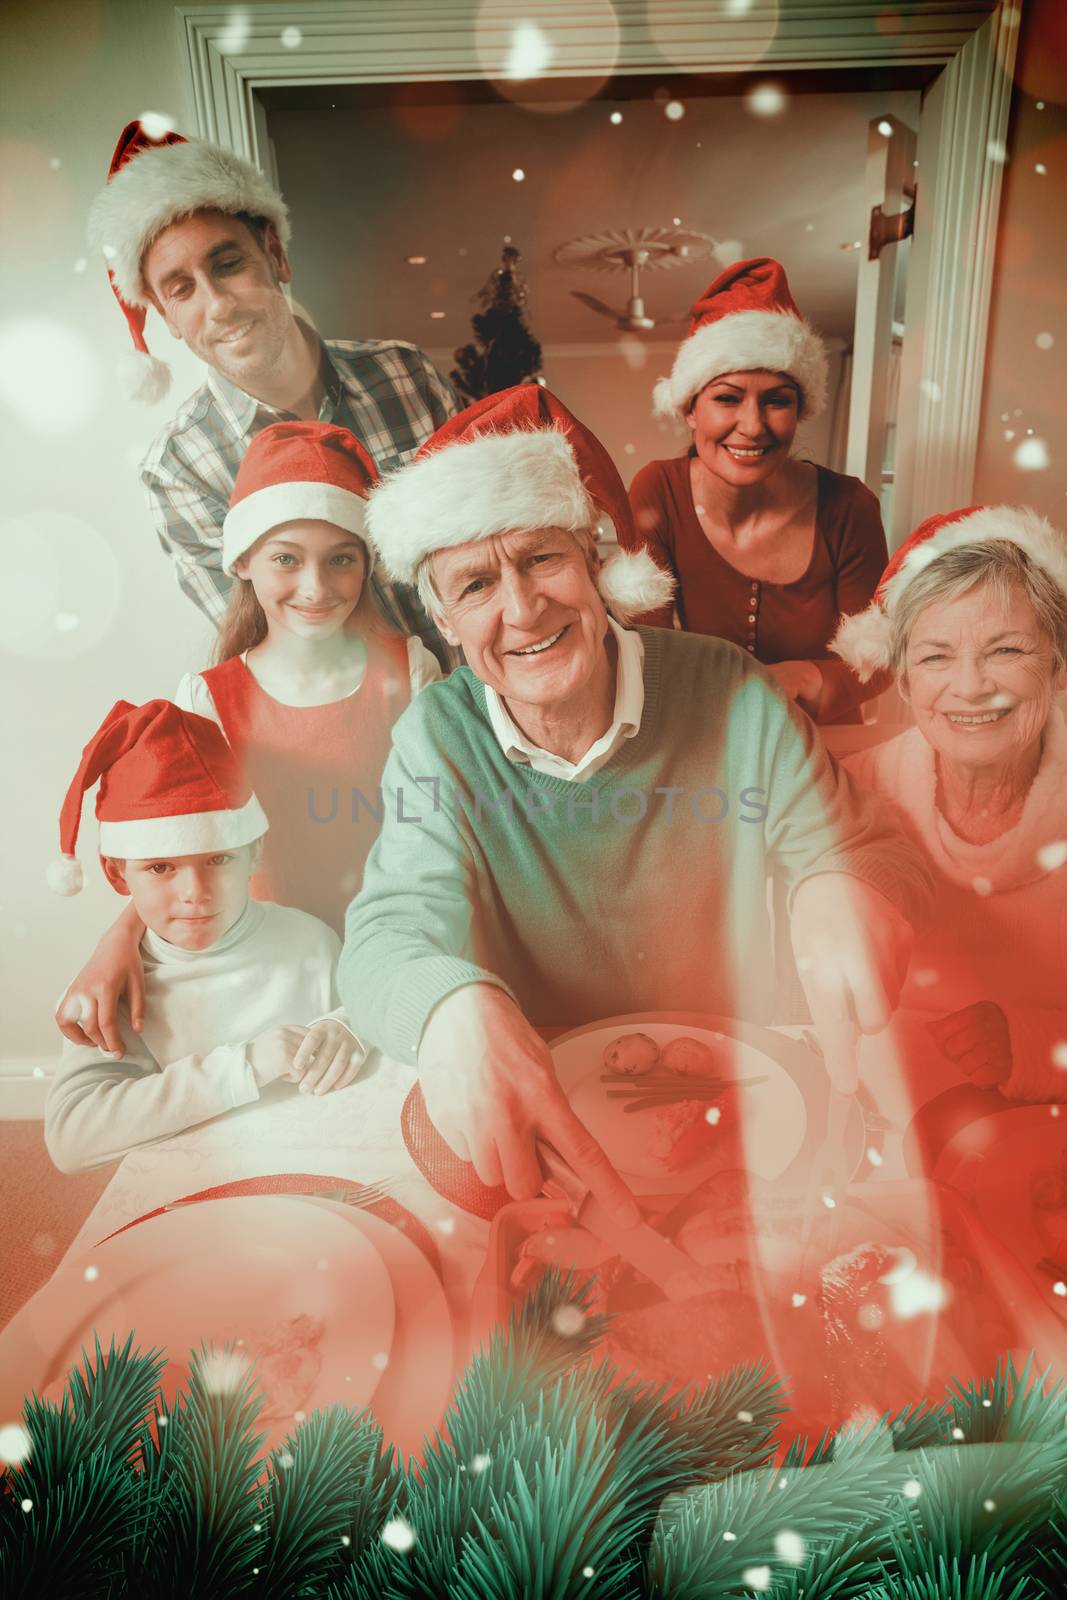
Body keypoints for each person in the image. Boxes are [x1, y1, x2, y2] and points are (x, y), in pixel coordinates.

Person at [337, 385, 933, 1217]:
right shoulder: (435, 734)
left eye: (542, 558)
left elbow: (873, 848)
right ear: (443, 619)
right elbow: (385, 933)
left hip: (739, 1084)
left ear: (593, 562)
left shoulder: (725, 684)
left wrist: (844, 884)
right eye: (474, 584)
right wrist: (445, 1006)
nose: (521, 608)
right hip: (554, 1098)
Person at [56, 422, 440, 1050]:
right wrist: (116, 939)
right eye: (286, 558)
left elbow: (434, 835)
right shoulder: (207, 699)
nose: (315, 587)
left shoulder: (410, 669)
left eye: (341, 558)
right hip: (267, 966)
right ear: (242, 562)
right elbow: (178, 846)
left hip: (395, 943)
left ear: (367, 564)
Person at [86, 118, 457, 661]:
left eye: (228, 264)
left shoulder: (406, 375)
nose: (218, 305)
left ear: (275, 255)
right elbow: (279, 658)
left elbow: (494, 543)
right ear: (166, 317)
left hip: (502, 704)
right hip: (368, 738)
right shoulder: (181, 473)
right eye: (182, 289)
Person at [44, 701, 363, 1173]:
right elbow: (72, 1138)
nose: (194, 893)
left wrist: (351, 1027)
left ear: (254, 852)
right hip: (191, 1193)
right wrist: (245, 1066)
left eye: (218, 860)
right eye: (160, 868)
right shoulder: (114, 990)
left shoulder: (310, 942)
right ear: (116, 872)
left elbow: (372, 1007)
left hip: (317, 1178)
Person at [832, 504, 1067, 1103]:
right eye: (937, 656)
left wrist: (1035, 1045)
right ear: (905, 682)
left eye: (1007, 651)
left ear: (1058, 666)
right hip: (881, 1116)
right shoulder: (850, 796)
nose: (970, 687)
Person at [626, 257, 888, 724]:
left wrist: (803, 678)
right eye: (727, 397)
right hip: (712, 737)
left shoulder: (850, 506)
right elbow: (649, 652)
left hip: (827, 751)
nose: (752, 426)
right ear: (690, 410)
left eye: (776, 400)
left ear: (801, 409)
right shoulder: (658, 491)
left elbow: (876, 664)